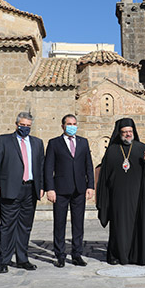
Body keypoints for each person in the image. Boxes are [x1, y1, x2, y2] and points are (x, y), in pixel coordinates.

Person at [96, 118, 145, 265]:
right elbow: (104, 177)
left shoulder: (142, 148)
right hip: (118, 197)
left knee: (139, 226)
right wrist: (104, 198)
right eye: (124, 132)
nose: (128, 134)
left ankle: (139, 257)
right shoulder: (112, 151)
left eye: (130, 131)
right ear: (119, 133)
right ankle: (117, 256)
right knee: (119, 227)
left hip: (139, 197)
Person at [0, 112, 44, 273]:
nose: (25, 128)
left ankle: (22, 259)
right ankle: (4, 260)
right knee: (7, 226)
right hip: (10, 189)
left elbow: (41, 166)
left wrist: (42, 186)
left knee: (25, 226)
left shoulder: (37, 143)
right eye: (22, 125)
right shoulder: (4, 140)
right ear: (16, 124)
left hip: (30, 189)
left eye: (28, 126)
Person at [44, 114, 95, 268]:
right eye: (69, 124)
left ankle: (77, 254)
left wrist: (90, 186)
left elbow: (88, 165)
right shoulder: (54, 143)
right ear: (63, 126)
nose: (72, 126)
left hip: (79, 189)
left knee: (78, 223)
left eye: (74, 124)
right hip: (60, 189)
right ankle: (60, 255)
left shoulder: (83, 142)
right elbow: (48, 168)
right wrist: (50, 188)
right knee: (59, 223)